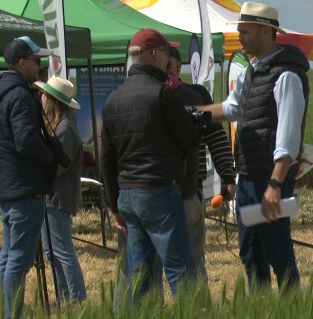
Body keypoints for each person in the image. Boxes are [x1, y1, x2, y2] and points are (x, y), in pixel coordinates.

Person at [197, 2, 310, 291]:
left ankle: (292, 314)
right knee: (250, 253)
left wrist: (275, 185)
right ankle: (259, 314)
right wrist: (196, 114)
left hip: (269, 182)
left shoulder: (286, 76)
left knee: (278, 253)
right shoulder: (252, 72)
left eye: (244, 31)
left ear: (265, 31)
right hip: (248, 179)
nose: (240, 37)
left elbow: (287, 139)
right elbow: (232, 108)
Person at [100, 29, 199, 302]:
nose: (169, 60)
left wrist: (114, 205)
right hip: (159, 191)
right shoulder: (161, 95)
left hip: (128, 196)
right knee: (180, 270)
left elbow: (106, 158)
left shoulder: (112, 100)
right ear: (154, 55)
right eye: (167, 53)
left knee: (139, 274)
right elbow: (190, 138)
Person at [0, 36, 55, 319]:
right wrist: (50, 156)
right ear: (22, 63)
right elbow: (26, 142)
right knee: (19, 262)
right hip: (25, 185)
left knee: (8, 257)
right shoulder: (21, 96)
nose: (40, 66)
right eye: (37, 61)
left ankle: (4, 316)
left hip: (4, 183)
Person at [166, 46, 237, 285]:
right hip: (188, 190)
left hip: (143, 191)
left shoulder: (132, 94)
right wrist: (227, 176)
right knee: (193, 261)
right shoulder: (194, 95)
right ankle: (199, 314)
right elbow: (216, 139)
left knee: (144, 266)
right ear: (175, 65)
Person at [35, 75, 87, 303]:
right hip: (52, 197)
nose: (40, 98)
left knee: (62, 251)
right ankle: (64, 296)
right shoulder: (60, 126)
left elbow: (59, 167)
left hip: (57, 198)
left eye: (44, 94)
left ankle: (75, 298)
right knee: (52, 252)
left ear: (52, 100)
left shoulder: (65, 129)